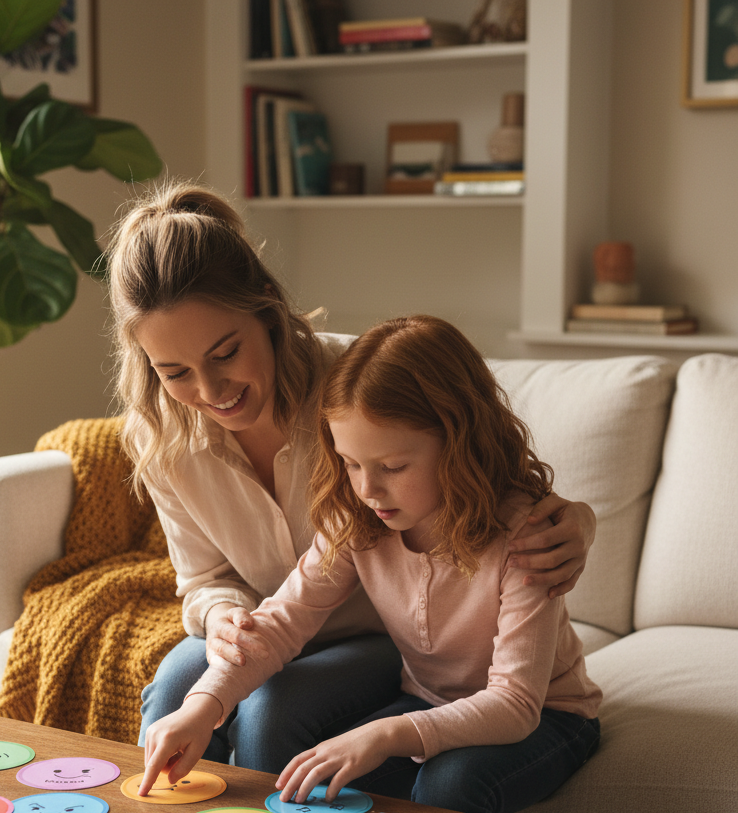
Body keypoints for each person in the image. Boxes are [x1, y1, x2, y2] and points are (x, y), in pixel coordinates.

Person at [108, 181, 596, 779]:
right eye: (174, 371)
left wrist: (576, 519)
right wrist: (223, 619)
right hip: (274, 623)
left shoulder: (357, 388)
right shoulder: (159, 435)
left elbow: (483, 471)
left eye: (226, 353)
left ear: (267, 307)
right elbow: (213, 583)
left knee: (267, 714)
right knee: (175, 695)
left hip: (380, 637)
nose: (209, 393)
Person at [138, 315, 602, 813]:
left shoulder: (525, 536)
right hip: (427, 702)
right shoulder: (358, 519)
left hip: (548, 717)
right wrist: (202, 707)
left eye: (392, 467)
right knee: (309, 780)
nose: (367, 489)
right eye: (351, 464)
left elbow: (515, 705)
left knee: (448, 786)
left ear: (459, 440)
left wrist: (384, 734)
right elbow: (281, 622)